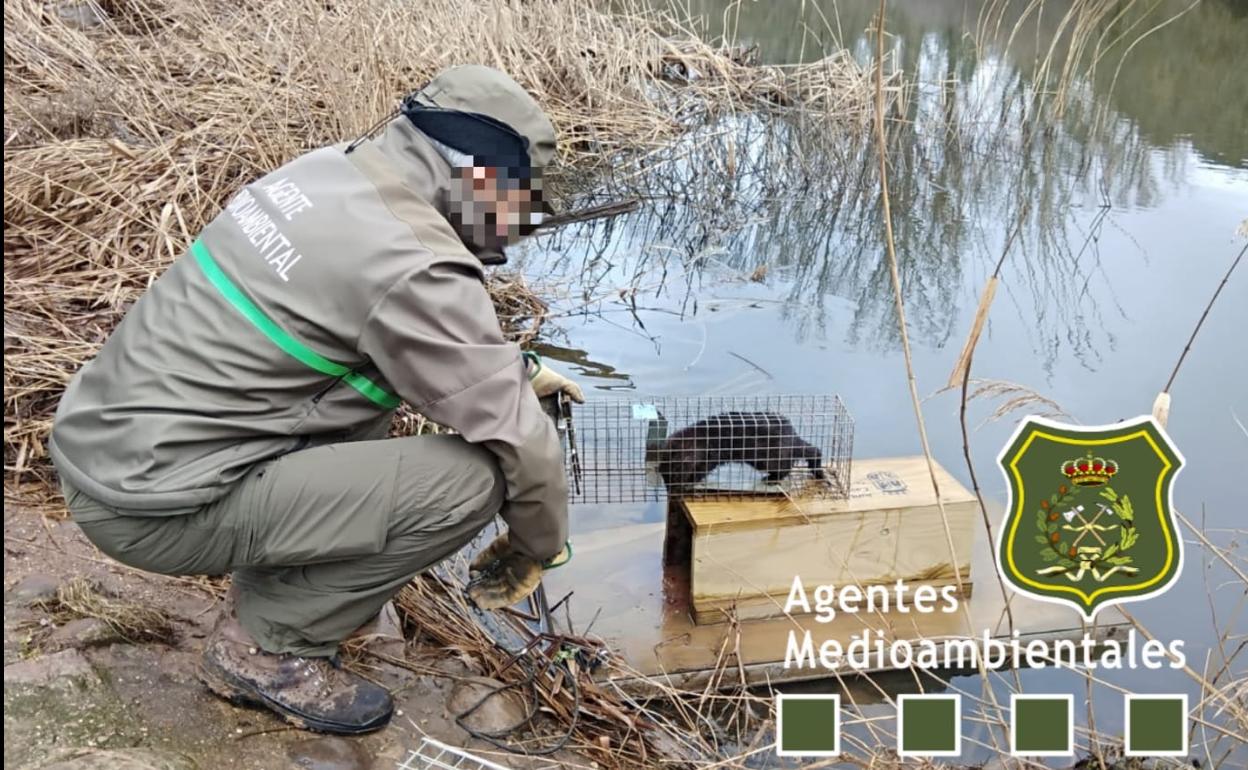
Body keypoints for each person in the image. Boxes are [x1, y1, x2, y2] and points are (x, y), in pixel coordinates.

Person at [48, 65, 582, 735]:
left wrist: (516, 371)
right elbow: (518, 443)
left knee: (372, 394)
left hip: (104, 451)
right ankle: (265, 649)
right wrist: (538, 546)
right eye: (518, 203)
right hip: (150, 509)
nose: (517, 226)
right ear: (481, 178)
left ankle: (295, 584)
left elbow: (390, 334)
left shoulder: (329, 172)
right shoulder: (414, 259)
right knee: (473, 480)